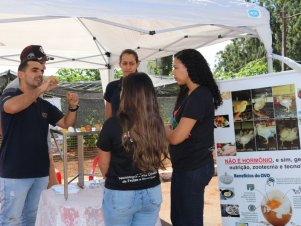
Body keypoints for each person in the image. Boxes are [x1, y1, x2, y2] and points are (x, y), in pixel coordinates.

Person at [0, 58, 79, 225]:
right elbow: (11, 108)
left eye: (42, 71)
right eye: (35, 70)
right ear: (21, 74)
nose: (40, 74)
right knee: (11, 220)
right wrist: (41, 89)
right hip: (15, 172)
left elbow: (66, 123)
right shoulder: (10, 94)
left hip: (40, 173)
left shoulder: (43, 104)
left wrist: (72, 107)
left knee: (33, 218)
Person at [97, 72, 169, 226]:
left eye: (122, 89)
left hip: (121, 194)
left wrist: (118, 181)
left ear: (127, 93)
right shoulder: (157, 123)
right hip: (152, 192)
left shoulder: (112, 124)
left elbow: (103, 164)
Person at [165, 49, 223, 226]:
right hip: (184, 166)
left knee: (188, 220)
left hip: (193, 168)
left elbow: (175, 137)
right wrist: (172, 130)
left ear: (189, 67)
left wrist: (162, 127)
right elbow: (175, 130)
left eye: (176, 67)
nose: (173, 72)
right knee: (179, 218)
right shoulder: (187, 93)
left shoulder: (200, 95)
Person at [1, 45, 58, 188]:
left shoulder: (36, 84)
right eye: (40, 62)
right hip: (21, 164)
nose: (43, 66)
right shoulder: (14, 87)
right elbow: (7, 112)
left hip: (39, 154)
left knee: (37, 204)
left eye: (44, 63)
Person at [104, 49, 140, 119]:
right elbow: (108, 118)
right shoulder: (112, 86)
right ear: (120, 64)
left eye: (132, 63)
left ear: (137, 64)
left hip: (138, 129)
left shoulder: (144, 86)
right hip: (116, 129)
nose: (128, 67)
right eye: (125, 63)